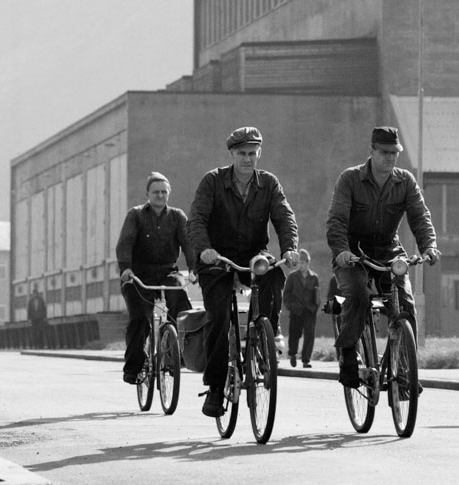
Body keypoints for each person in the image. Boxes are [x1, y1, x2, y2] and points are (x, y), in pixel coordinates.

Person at [187, 126, 299, 417]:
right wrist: (204, 250)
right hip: (217, 259)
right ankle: (214, 388)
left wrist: (289, 249)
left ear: (259, 153)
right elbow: (196, 220)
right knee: (220, 319)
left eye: (252, 153)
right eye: (242, 153)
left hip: (253, 256)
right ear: (232, 154)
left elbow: (285, 218)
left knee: (273, 272)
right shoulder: (212, 181)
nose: (248, 159)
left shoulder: (269, 184)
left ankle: (268, 332)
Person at [326, 126, 440, 388]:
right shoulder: (350, 179)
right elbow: (337, 220)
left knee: (405, 304)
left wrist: (429, 246)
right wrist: (341, 250)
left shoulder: (405, 181)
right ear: (372, 151)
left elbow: (420, 216)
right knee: (358, 295)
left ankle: (403, 373)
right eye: (385, 152)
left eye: (395, 153)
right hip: (353, 254)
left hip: (389, 253)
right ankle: (347, 354)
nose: (390, 158)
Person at [116, 172, 196, 384]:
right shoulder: (136, 215)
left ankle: (181, 353)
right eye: (156, 192)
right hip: (137, 275)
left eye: (164, 192)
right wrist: (126, 269)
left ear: (169, 193)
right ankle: (133, 368)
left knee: (181, 304)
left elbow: (188, 244)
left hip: (167, 272)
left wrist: (195, 268)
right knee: (139, 319)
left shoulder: (177, 216)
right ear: (147, 194)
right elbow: (125, 243)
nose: (160, 196)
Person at [282, 248, 320, 368]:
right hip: (296, 310)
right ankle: (292, 354)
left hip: (309, 311)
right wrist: (291, 307)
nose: (301, 265)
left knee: (309, 335)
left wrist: (315, 307)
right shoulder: (292, 276)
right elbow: (286, 295)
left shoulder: (314, 277)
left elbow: (317, 296)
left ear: (308, 263)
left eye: (303, 263)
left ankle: (306, 360)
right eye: (299, 263)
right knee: (294, 334)